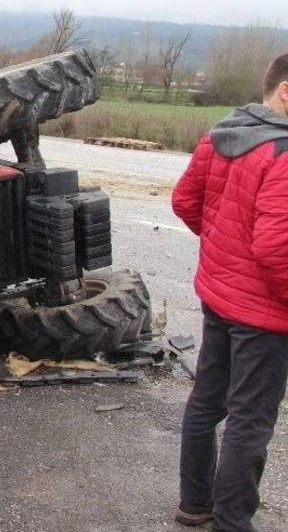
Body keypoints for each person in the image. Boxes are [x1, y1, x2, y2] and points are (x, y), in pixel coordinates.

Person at [171, 53, 288, 531]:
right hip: (264, 312)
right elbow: (276, 248)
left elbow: (185, 200)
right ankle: (232, 523)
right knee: (249, 419)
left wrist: (224, 251)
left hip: (220, 296)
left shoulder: (221, 134)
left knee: (207, 400)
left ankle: (195, 503)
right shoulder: (282, 152)